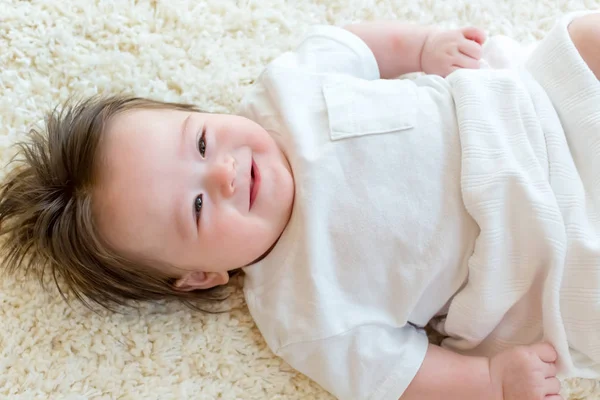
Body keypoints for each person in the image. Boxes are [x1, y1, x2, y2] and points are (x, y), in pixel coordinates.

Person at [2, 8, 600, 400]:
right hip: (544, 251)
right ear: (200, 277)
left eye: (204, 141)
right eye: (199, 207)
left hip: (530, 108)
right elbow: (400, 374)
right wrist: (492, 381)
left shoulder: (286, 88)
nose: (226, 172)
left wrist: (421, 48)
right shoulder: (300, 312)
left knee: (582, 38)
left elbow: (355, 45)